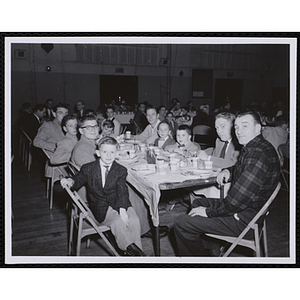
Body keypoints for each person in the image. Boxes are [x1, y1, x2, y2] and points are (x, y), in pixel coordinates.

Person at [174, 111, 280, 256]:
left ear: (257, 128)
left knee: (181, 222)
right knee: (198, 203)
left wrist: (208, 213)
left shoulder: (257, 154)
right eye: (236, 127)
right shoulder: (256, 147)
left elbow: (235, 202)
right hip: (247, 210)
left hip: (243, 221)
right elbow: (243, 170)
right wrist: (229, 170)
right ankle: (211, 249)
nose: (239, 132)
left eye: (244, 126)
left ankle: (200, 260)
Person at [61, 137, 145, 256]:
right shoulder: (89, 168)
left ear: (116, 154)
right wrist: (70, 181)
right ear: (98, 153)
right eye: (105, 152)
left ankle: (134, 252)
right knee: (118, 222)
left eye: (112, 152)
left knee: (134, 220)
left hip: (119, 202)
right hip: (100, 206)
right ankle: (133, 251)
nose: (108, 155)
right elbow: (78, 179)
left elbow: (122, 190)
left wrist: (122, 210)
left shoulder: (120, 170)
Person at [193, 112, 240, 198]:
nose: (219, 131)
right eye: (217, 128)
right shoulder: (219, 140)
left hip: (231, 182)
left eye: (222, 127)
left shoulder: (238, 143)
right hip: (216, 175)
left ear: (233, 126)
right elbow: (215, 157)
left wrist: (208, 158)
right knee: (192, 185)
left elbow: (232, 164)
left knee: (201, 188)